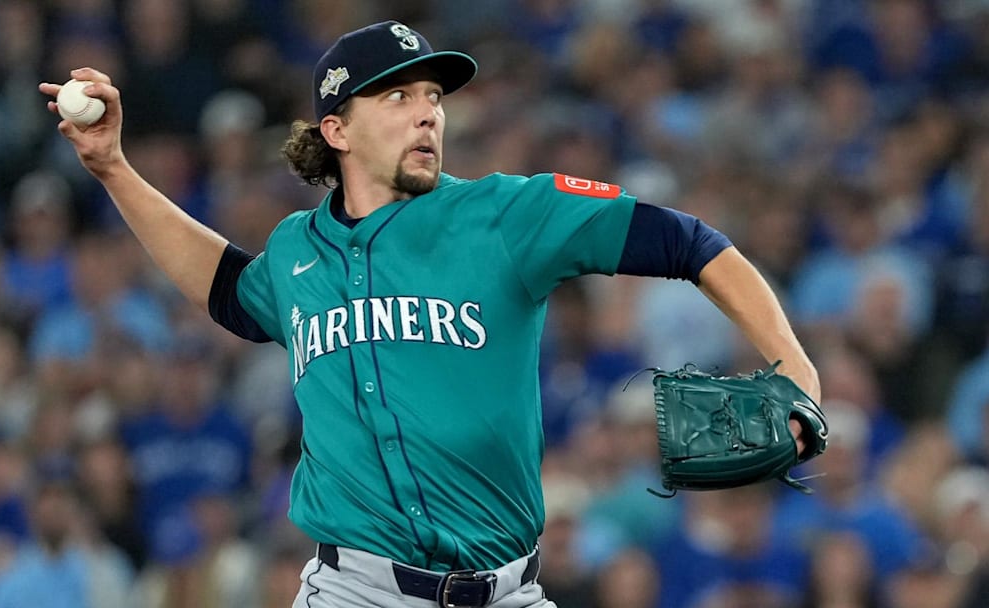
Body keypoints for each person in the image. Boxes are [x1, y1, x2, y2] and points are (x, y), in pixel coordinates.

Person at [40, 20, 820, 608]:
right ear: (336, 129)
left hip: (506, 588)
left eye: (434, 97)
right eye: (399, 95)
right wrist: (112, 167)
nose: (427, 114)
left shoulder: (504, 214)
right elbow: (230, 292)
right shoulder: (296, 251)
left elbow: (690, 242)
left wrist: (797, 366)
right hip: (354, 590)